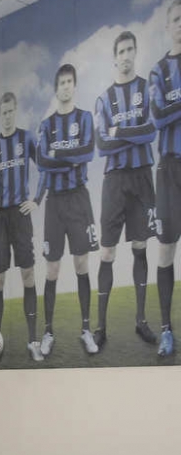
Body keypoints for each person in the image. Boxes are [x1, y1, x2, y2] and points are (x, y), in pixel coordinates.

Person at [94, 31, 157, 351]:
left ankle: (141, 320)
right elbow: (102, 145)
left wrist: (119, 130)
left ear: (136, 52)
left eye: (131, 49)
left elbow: (152, 131)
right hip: (115, 181)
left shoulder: (147, 89)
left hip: (142, 177)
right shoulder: (104, 99)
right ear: (114, 57)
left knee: (140, 245)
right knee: (107, 252)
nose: (126, 55)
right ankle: (101, 327)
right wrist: (134, 134)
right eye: (121, 51)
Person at [37, 64, 99, 356]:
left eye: (69, 82)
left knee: (81, 264)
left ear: (74, 85)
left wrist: (57, 153)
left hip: (78, 199)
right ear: (56, 88)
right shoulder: (46, 125)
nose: (65, 86)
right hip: (55, 203)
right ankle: (48, 332)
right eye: (61, 82)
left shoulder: (84, 118)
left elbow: (87, 153)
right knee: (52, 268)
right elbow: (42, 162)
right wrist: (69, 158)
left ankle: (86, 330)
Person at [0, 91, 44, 362]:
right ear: (0, 115)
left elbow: (44, 168)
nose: (7, 116)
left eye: (10, 111)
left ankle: (33, 340)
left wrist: (36, 200)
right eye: (3, 112)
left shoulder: (26, 138)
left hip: (20, 215)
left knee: (28, 275)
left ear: (15, 111)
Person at [150, 0, 181, 356]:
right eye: (176, 19)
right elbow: (157, 116)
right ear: (168, 26)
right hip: (169, 169)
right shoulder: (159, 71)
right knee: (166, 249)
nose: (180, 24)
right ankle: (166, 330)